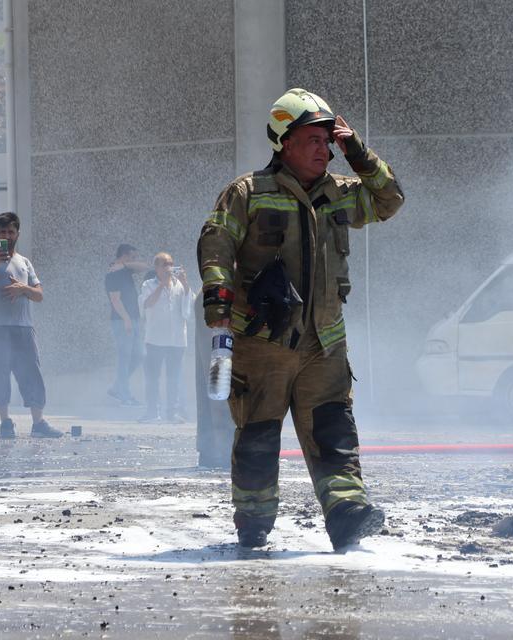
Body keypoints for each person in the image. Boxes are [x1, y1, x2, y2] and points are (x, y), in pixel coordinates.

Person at [196, 88, 405, 550]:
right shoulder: (248, 193)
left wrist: (360, 153)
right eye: (313, 139)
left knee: (333, 432)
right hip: (262, 343)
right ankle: (252, 523)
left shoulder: (339, 194)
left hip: (324, 344)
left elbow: (389, 200)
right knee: (258, 437)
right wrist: (219, 307)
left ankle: (347, 514)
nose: (324, 149)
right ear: (284, 143)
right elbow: (217, 242)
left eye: (329, 141)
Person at [0, 211, 62, 439]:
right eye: (2, 231)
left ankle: (38, 423)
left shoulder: (24, 262)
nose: (7, 235)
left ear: (17, 233)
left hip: (23, 326)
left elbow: (39, 295)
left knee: (31, 372)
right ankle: (5, 422)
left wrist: (22, 289)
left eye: (11, 231)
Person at [137, 252, 196, 423]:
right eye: (164, 264)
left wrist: (185, 284)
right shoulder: (148, 284)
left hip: (177, 339)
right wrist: (162, 285)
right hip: (155, 339)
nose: (168, 267)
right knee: (153, 378)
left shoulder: (179, 284)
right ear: (156, 268)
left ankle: (172, 413)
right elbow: (146, 304)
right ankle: (152, 412)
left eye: (170, 263)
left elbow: (188, 306)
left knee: (174, 378)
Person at [105, 244, 148, 406]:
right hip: (121, 321)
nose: (135, 260)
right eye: (133, 256)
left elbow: (144, 267)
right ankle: (124, 394)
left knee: (139, 354)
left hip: (133, 320)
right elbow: (115, 300)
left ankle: (117, 387)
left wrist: (124, 264)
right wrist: (126, 319)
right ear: (125, 255)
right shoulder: (113, 274)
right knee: (125, 358)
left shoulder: (124, 269)